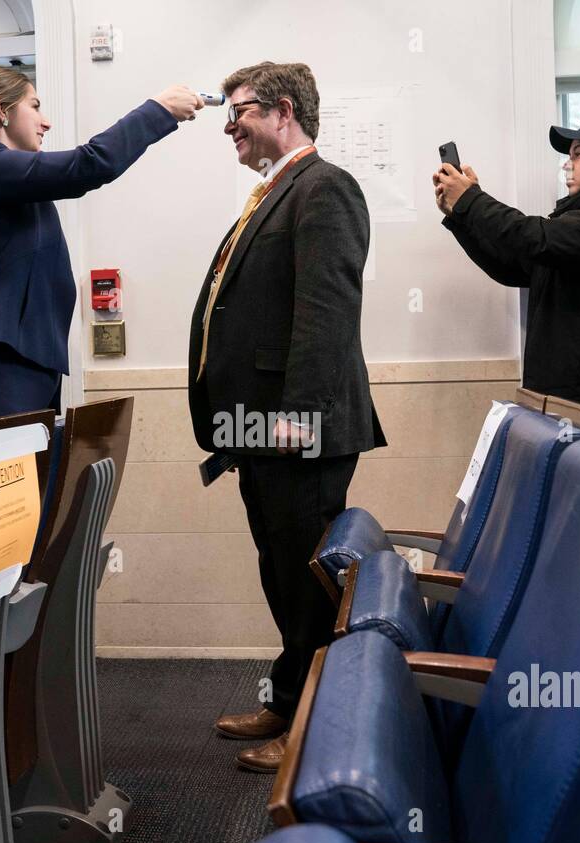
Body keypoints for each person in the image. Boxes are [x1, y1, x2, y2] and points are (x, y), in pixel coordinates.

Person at [190, 61, 385, 773]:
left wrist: (296, 419)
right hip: (263, 431)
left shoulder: (324, 187)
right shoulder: (275, 192)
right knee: (281, 572)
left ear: (280, 110)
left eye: (236, 109)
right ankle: (287, 698)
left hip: (298, 432)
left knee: (305, 583)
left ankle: (312, 731)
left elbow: (326, 316)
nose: (226, 124)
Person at [0, 66, 202, 428]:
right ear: (1, 111)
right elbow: (87, 166)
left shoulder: (9, 182)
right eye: (34, 106)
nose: (46, 122)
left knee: (31, 486)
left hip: (19, 371)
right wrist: (158, 110)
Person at [433, 120, 580, 421]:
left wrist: (470, 200)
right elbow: (513, 265)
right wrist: (461, 217)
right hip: (577, 406)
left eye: (578, 154)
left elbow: (536, 238)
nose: (566, 165)